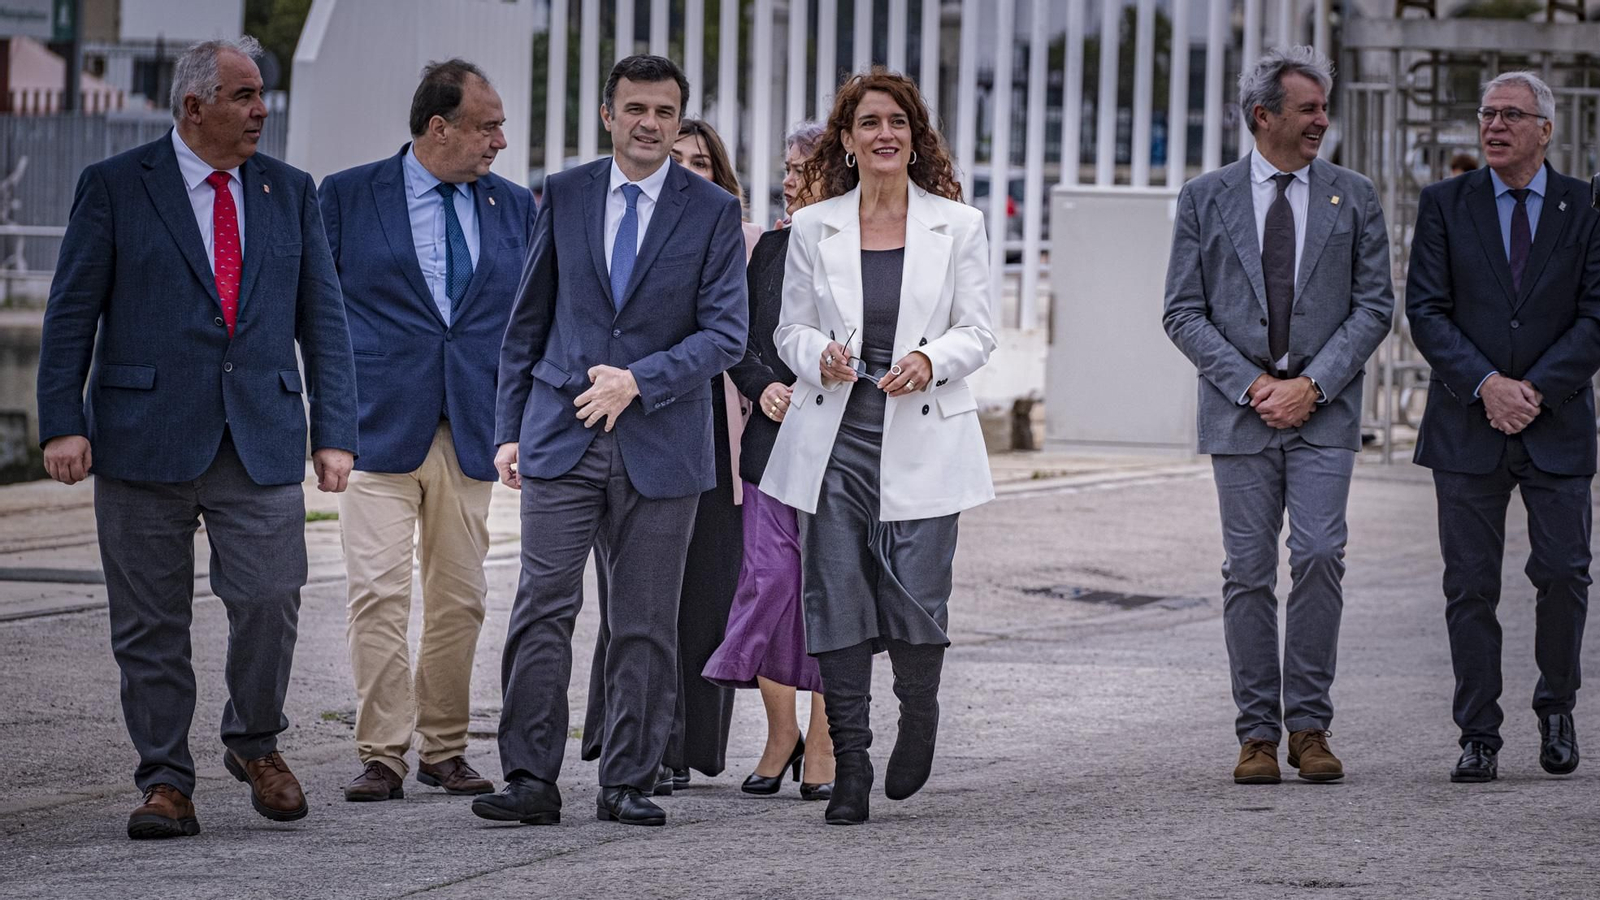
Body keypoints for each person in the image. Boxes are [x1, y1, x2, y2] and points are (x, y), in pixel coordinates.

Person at [34, 36, 357, 839]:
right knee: (149, 623)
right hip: (143, 438)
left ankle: (253, 740)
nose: (261, 111)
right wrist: (62, 423)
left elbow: (325, 321)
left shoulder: (290, 190)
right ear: (194, 106)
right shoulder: (113, 186)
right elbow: (70, 315)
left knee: (272, 598)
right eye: (245, 96)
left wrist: (335, 432)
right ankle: (165, 780)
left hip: (260, 436)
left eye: (262, 96)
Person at [472, 54, 748, 828]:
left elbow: (726, 335)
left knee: (644, 621)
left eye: (664, 110)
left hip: (664, 444)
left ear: (678, 116)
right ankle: (528, 777)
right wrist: (507, 430)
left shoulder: (712, 211)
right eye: (636, 109)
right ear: (608, 115)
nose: (650, 123)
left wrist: (640, 380)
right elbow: (526, 322)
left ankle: (627, 780)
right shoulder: (562, 194)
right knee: (542, 608)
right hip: (560, 436)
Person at [760, 69, 995, 826]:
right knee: (834, 598)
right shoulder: (813, 226)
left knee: (919, 598)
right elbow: (787, 328)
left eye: (897, 121)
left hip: (925, 436)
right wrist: (815, 353)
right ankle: (851, 765)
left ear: (914, 135)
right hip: (835, 441)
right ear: (849, 141)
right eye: (868, 123)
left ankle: (919, 711)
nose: (883, 133)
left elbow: (979, 330)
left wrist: (932, 359)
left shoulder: (959, 225)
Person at [1161, 46, 1394, 786]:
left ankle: (1311, 727)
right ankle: (1257, 734)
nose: (1323, 119)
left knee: (1321, 554)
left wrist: (1313, 386)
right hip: (1241, 414)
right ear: (1265, 116)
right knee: (1249, 572)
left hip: (1324, 412)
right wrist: (1253, 384)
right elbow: (1182, 311)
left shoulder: (1353, 195)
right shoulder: (1206, 197)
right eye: (1309, 108)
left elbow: (1375, 306)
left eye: (1324, 107)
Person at [319, 59, 537, 803]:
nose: (501, 140)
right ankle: (382, 752)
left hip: (473, 429)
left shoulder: (516, 207)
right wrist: (325, 423)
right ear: (438, 126)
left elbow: (530, 323)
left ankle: (445, 748)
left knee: (461, 597)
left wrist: (523, 421)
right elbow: (315, 315)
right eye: (488, 125)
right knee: (376, 594)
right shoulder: (347, 197)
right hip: (375, 429)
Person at [1405, 71, 1600, 784]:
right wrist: (1488, 385)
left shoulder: (1585, 205)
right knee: (1470, 586)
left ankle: (1557, 709)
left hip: (1559, 424)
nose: (1494, 126)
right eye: (1487, 113)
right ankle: (1478, 733)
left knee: (1564, 575)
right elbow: (1426, 310)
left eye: (1512, 116)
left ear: (1545, 130)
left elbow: (1596, 314)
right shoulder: (1445, 204)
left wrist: (1535, 391)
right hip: (1467, 424)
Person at [580, 117, 761, 790]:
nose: (688, 169)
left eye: (703, 161)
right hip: (636, 424)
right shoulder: (616, 233)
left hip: (714, 429)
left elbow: (752, 341)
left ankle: (683, 745)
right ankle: (635, 742)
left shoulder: (747, 241)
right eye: (677, 158)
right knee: (636, 595)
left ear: (721, 177)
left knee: (706, 596)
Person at [702, 121, 838, 800]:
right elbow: (739, 340)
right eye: (785, 168)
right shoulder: (773, 247)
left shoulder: (863, 247)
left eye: (800, 167)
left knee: (828, 594)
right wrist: (765, 385)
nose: (787, 179)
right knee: (768, 581)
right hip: (769, 448)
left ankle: (822, 741)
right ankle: (779, 730)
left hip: (842, 453)